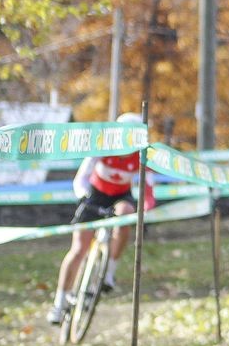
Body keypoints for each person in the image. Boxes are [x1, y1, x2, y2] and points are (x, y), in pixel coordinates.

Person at [48, 113, 155, 325]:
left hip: (120, 197)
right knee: (79, 250)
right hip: (95, 194)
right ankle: (58, 304)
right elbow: (81, 178)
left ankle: (109, 274)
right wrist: (84, 197)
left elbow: (148, 189)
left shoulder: (141, 155)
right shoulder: (103, 147)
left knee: (125, 212)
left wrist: (146, 207)